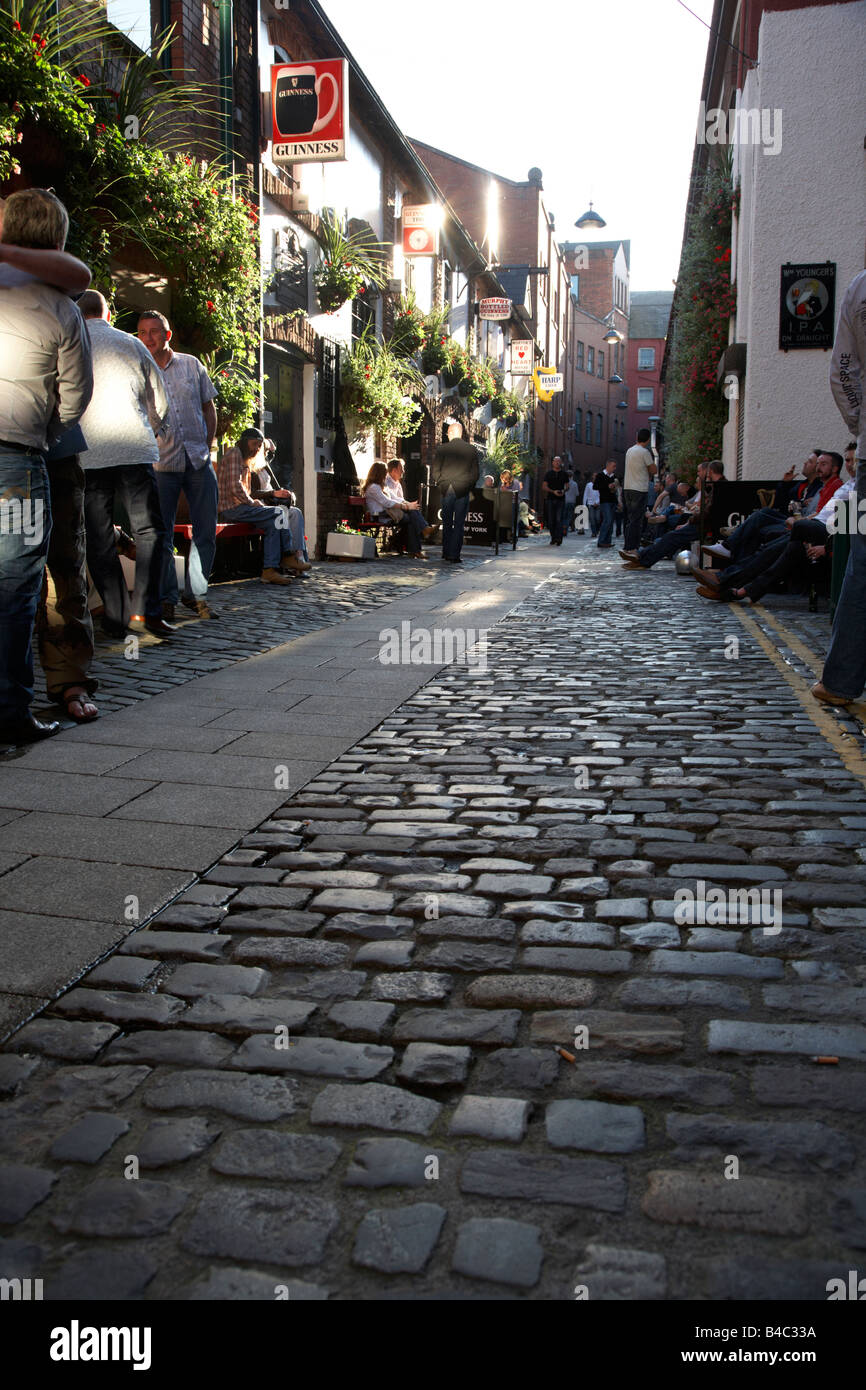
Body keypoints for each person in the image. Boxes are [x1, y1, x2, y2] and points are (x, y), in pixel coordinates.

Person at [0, 189, 93, 744]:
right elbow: (76, 399)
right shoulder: (61, 306)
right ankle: (10, 709)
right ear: (56, 237)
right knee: (16, 589)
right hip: (20, 467)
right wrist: (42, 429)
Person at [75, 290, 175, 639]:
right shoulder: (131, 344)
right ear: (107, 312)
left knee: (98, 536)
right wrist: (156, 428)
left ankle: (116, 615)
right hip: (133, 447)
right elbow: (158, 398)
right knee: (149, 532)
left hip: (88, 452)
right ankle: (145, 613)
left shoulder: (70, 341)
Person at [136, 309, 219, 621]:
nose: (148, 338)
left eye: (154, 331)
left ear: (166, 334)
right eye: (143, 332)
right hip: (162, 465)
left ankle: (195, 595)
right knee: (161, 534)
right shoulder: (140, 372)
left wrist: (207, 446)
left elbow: (209, 408)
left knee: (205, 533)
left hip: (198, 461)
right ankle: (168, 598)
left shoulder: (191, 365)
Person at [814, 274, 866, 704]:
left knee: (863, 569)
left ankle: (842, 682)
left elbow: (844, 371)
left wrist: (860, 426)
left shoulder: (860, 288)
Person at [217, 427, 311, 584]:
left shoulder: (245, 459)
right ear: (244, 442)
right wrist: (252, 502)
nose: (256, 449)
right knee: (278, 513)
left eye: (259, 446)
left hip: (240, 507)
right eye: (254, 444)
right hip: (230, 508)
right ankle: (287, 555)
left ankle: (269, 570)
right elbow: (235, 486)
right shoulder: (234, 453)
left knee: (273, 523)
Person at [432, 421, 479, 564]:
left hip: (446, 489)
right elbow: (475, 474)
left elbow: (435, 471)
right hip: (462, 490)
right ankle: (454, 555)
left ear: (451, 432)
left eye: (447, 433)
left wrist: (442, 483)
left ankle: (446, 552)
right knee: (459, 524)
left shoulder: (442, 449)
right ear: (461, 433)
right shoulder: (471, 449)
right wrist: (466, 486)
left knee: (446, 523)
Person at [364, 461, 427, 558]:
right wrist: (405, 506)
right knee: (411, 519)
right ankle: (418, 543)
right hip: (380, 515)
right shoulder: (373, 487)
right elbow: (387, 502)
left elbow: (394, 498)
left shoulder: (381, 486)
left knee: (411, 517)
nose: (386, 475)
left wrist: (408, 504)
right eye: (385, 473)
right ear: (380, 473)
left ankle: (415, 549)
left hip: (387, 513)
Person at [622, 427, 657, 555]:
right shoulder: (644, 452)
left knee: (630, 519)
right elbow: (654, 470)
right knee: (637, 519)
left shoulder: (629, 451)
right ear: (648, 439)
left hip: (628, 488)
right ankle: (633, 547)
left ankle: (627, 545)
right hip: (639, 488)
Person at [386, 458, 435, 540]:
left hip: (398, 509)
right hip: (389, 511)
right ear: (394, 470)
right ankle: (424, 530)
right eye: (401, 469)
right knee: (413, 515)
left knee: (413, 514)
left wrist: (408, 505)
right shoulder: (385, 482)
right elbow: (391, 499)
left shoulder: (397, 484)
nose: (403, 471)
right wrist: (408, 505)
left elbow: (400, 499)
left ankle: (418, 541)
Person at [542, 455, 567, 545]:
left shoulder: (564, 474)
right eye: (555, 461)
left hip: (561, 500)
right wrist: (553, 491)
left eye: (559, 461)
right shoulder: (548, 474)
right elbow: (544, 486)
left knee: (559, 519)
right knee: (551, 520)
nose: (557, 463)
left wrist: (564, 490)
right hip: (550, 499)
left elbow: (567, 486)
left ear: (561, 463)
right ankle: (553, 537)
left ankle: (559, 538)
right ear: (552, 463)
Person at [594, 459, 619, 548]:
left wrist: (618, 502)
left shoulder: (614, 476)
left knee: (611, 521)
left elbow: (616, 490)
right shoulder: (600, 475)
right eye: (613, 466)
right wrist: (607, 486)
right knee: (607, 520)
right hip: (605, 501)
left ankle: (607, 541)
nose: (614, 468)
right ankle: (601, 541)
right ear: (608, 466)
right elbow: (595, 486)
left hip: (612, 501)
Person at [563, 470, 580, 535]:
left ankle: (563, 527)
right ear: (572, 476)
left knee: (564, 516)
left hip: (564, 501)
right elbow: (577, 494)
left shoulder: (563, 483)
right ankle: (566, 528)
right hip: (572, 501)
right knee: (569, 516)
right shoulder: (575, 484)